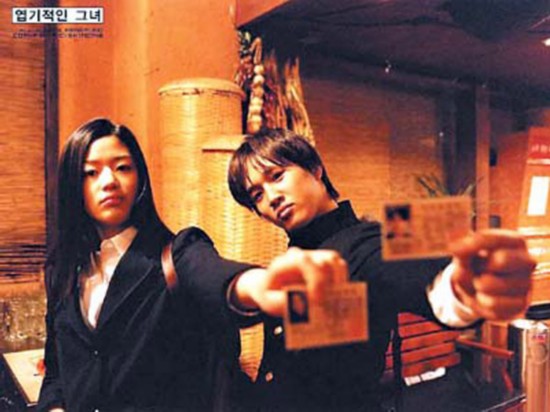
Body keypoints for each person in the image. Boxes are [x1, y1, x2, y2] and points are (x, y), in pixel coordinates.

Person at [37, 119, 350, 412]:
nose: (109, 181)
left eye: (122, 168)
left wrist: (257, 285)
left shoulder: (177, 252)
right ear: (72, 185)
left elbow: (212, 275)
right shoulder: (63, 271)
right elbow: (56, 372)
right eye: (90, 172)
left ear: (140, 179)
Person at [227, 128, 536, 411]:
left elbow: (415, 276)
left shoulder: (371, 240)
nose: (272, 198)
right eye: (257, 195)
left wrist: (464, 288)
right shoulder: (297, 252)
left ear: (315, 169)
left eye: (277, 176)